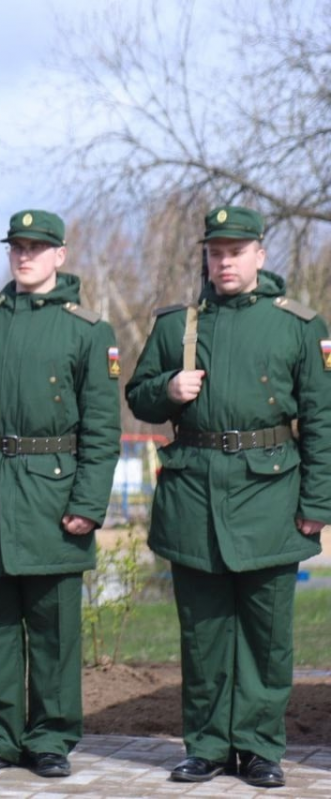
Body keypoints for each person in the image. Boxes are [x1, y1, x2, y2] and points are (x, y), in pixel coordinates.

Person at [125, 205, 329, 788]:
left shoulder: (298, 325)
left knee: (267, 637)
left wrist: (317, 502)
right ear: (207, 258)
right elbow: (139, 396)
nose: (225, 262)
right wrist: (168, 388)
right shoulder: (176, 326)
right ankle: (208, 747)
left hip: (270, 494)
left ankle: (261, 748)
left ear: (260, 255)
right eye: (216, 252)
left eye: (236, 251)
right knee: (204, 634)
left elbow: (321, 418)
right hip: (194, 495)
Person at [0, 209, 121, 778]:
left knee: (53, 632)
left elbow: (102, 428)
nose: (25, 255)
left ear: (60, 255)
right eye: (17, 246)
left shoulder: (88, 330)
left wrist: (89, 505)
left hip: (52, 496)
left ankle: (51, 740)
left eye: (37, 247)